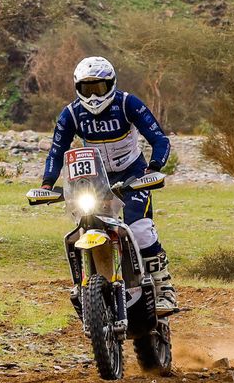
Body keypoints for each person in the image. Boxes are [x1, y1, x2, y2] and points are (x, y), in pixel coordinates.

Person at [38, 55, 176, 313]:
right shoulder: (71, 114)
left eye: (98, 88)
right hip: (94, 180)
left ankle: (163, 288)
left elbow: (160, 140)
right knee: (84, 226)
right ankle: (84, 286)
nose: (93, 96)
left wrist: (153, 168)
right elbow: (57, 151)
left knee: (141, 229)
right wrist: (47, 184)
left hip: (133, 174)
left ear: (111, 84)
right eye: (86, 89)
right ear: (77, 88)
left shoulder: (127, 103)